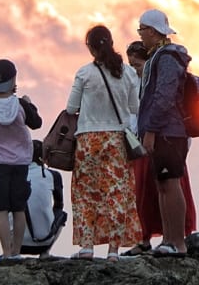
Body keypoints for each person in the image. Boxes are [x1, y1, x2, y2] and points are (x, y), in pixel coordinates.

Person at [66, 25, 140, 262]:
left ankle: (87, 247)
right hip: (116, 139)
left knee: (87, 193)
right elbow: (134, 108)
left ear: (90, 47)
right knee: (116, 193)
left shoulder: (84, 73)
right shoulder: (127, 73)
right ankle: (113, 251)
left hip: (88, 139)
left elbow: (71, 108)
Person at [121, 41, 197, 256]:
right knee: (143, 195)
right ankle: (144, 238)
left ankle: (172, 238)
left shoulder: (155, 82)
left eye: (137, 64)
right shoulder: (136, 83)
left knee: (163, 191)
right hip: (140, 141)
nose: (134, 69)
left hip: (158, 141)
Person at [136, 10, 192, 257]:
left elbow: (164, 96)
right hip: (164, 131)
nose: (140, 35)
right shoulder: (158, 56)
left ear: (151, 31)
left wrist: (151, 130)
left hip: (168, 131)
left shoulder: (167, 57)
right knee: (162, 185)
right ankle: (168, 240)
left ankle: (177, 242)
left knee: (170, 183)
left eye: (142, 30)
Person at [0, 59, 42, 265]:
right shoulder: (21, 105)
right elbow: (37, 123)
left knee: (0, 208)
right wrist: (30, 103)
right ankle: (16, 251)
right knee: (18, 207)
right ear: (13, 79)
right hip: (20, 163)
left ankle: (6, 252)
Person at [19, 140, 67, 258]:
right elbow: (59, 205)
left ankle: (10, 251)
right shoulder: (53, 175)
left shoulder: (15, 176)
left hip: (17, 244)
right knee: (62, 214)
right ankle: (45, 253)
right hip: (43, 242)